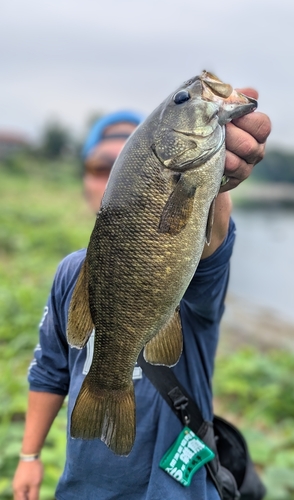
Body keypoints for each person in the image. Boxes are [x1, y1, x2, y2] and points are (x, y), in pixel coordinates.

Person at [13, 95, 271, 500]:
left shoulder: (192, 266)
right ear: (86, 179)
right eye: (101, 166)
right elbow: (50, 368)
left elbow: (213, 233)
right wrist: (29, 456)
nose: (112, 173)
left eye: (123, 161)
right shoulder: (70, 272)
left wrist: (218, 169)